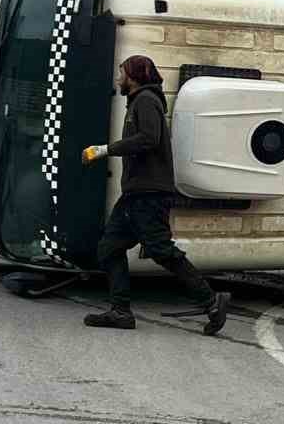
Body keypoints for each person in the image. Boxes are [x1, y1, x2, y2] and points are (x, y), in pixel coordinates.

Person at [80, 56, 229, 333]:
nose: (118, 78)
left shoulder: (146, 101)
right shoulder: (139, 101)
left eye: (121, 73)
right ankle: (120, 312)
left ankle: (211, 302)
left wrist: (105, 150)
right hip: (136, 195)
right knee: (109, 248)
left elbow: (150, 138)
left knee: (161, 251)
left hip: (149, 195)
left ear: (133, 76)